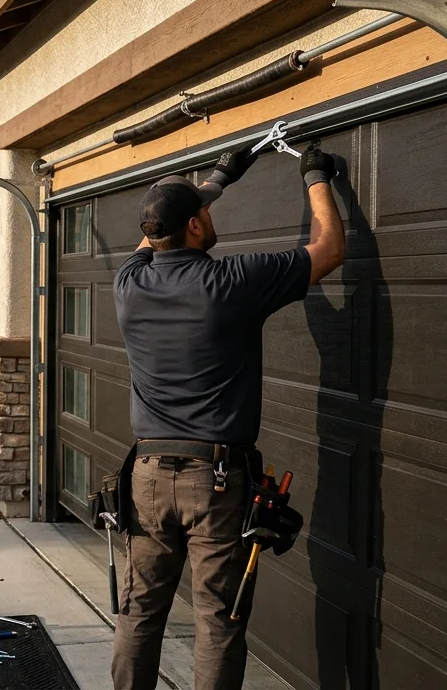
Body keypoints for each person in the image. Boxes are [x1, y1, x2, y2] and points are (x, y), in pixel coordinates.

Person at [110, 144, 345, 690]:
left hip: (145, 477)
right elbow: (329, 249)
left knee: (138, 611)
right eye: (205, 214)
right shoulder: (233, 282)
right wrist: (315, 175)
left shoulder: (129, 284)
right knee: (218, 620)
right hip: (213, 482)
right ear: (195, 225)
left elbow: (158, 231)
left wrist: (217, 180)